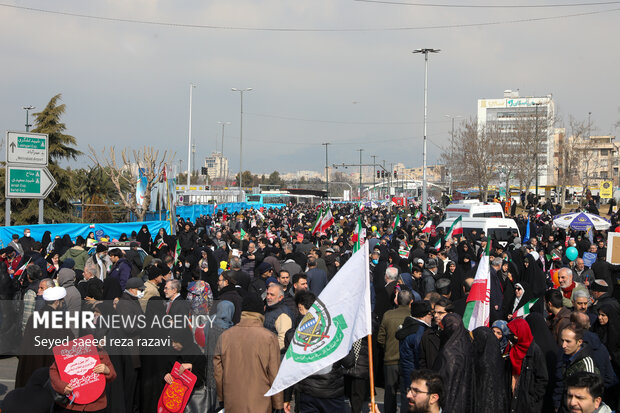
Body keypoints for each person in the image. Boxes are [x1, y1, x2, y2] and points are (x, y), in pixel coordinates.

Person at [213, 294, 284, 412]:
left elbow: (218, 372)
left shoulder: (225, 336)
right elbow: (274, 373)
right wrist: (278, 405)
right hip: (260, 402)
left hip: (233, 401)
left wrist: (222, 398)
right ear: (262, 311)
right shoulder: (269, 337)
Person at [49, 345, 117, 412]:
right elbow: (53, 370)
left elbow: (112, 374)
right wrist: (62, 387)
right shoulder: (69, 351)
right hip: (71, 404)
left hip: (95, 404)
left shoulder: (100, 352)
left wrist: (107, 370)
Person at [378, 289, 413, 413]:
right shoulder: (413, 316)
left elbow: (381, 338)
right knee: (407, 392)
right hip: (408, 360)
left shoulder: (388, 315)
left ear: (397, 301)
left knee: (390, 392)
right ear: (411, 301)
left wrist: (388, 348)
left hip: (390, 358)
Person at [553, 323, 600, 412]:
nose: (563, 345)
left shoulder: (586, 364)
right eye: (562, 340)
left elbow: (589, 397)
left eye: (568, 341)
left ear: (579, 342)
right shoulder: (565, 356)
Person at [433, 313, 475, 413]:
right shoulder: (469, 347)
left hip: (449, 400)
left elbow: (443, 378)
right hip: (466, 399)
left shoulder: (448, 351)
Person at [396, 300, 433, 413]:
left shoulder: (408, 326)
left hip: (406, 371)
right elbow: (420, 355)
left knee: (406, 401)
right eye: (430, 314)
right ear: (424, 315)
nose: (432, 317)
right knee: (414, 405)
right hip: (415, 374)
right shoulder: (419, 332)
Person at [507, 317, 548, 413]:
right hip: (513, 399)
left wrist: (531, 399)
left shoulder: (534, 352)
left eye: (514, 334)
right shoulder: (513, 350)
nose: (512, 336)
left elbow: (542, 378)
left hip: (527, 405)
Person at [264, 283, 293, 352]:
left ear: (280, 298)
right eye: (267, 294)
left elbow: (282, 341)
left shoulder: (283, 315)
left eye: (272, 295)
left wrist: (270, 353)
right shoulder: (269, 309)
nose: (268, 297)